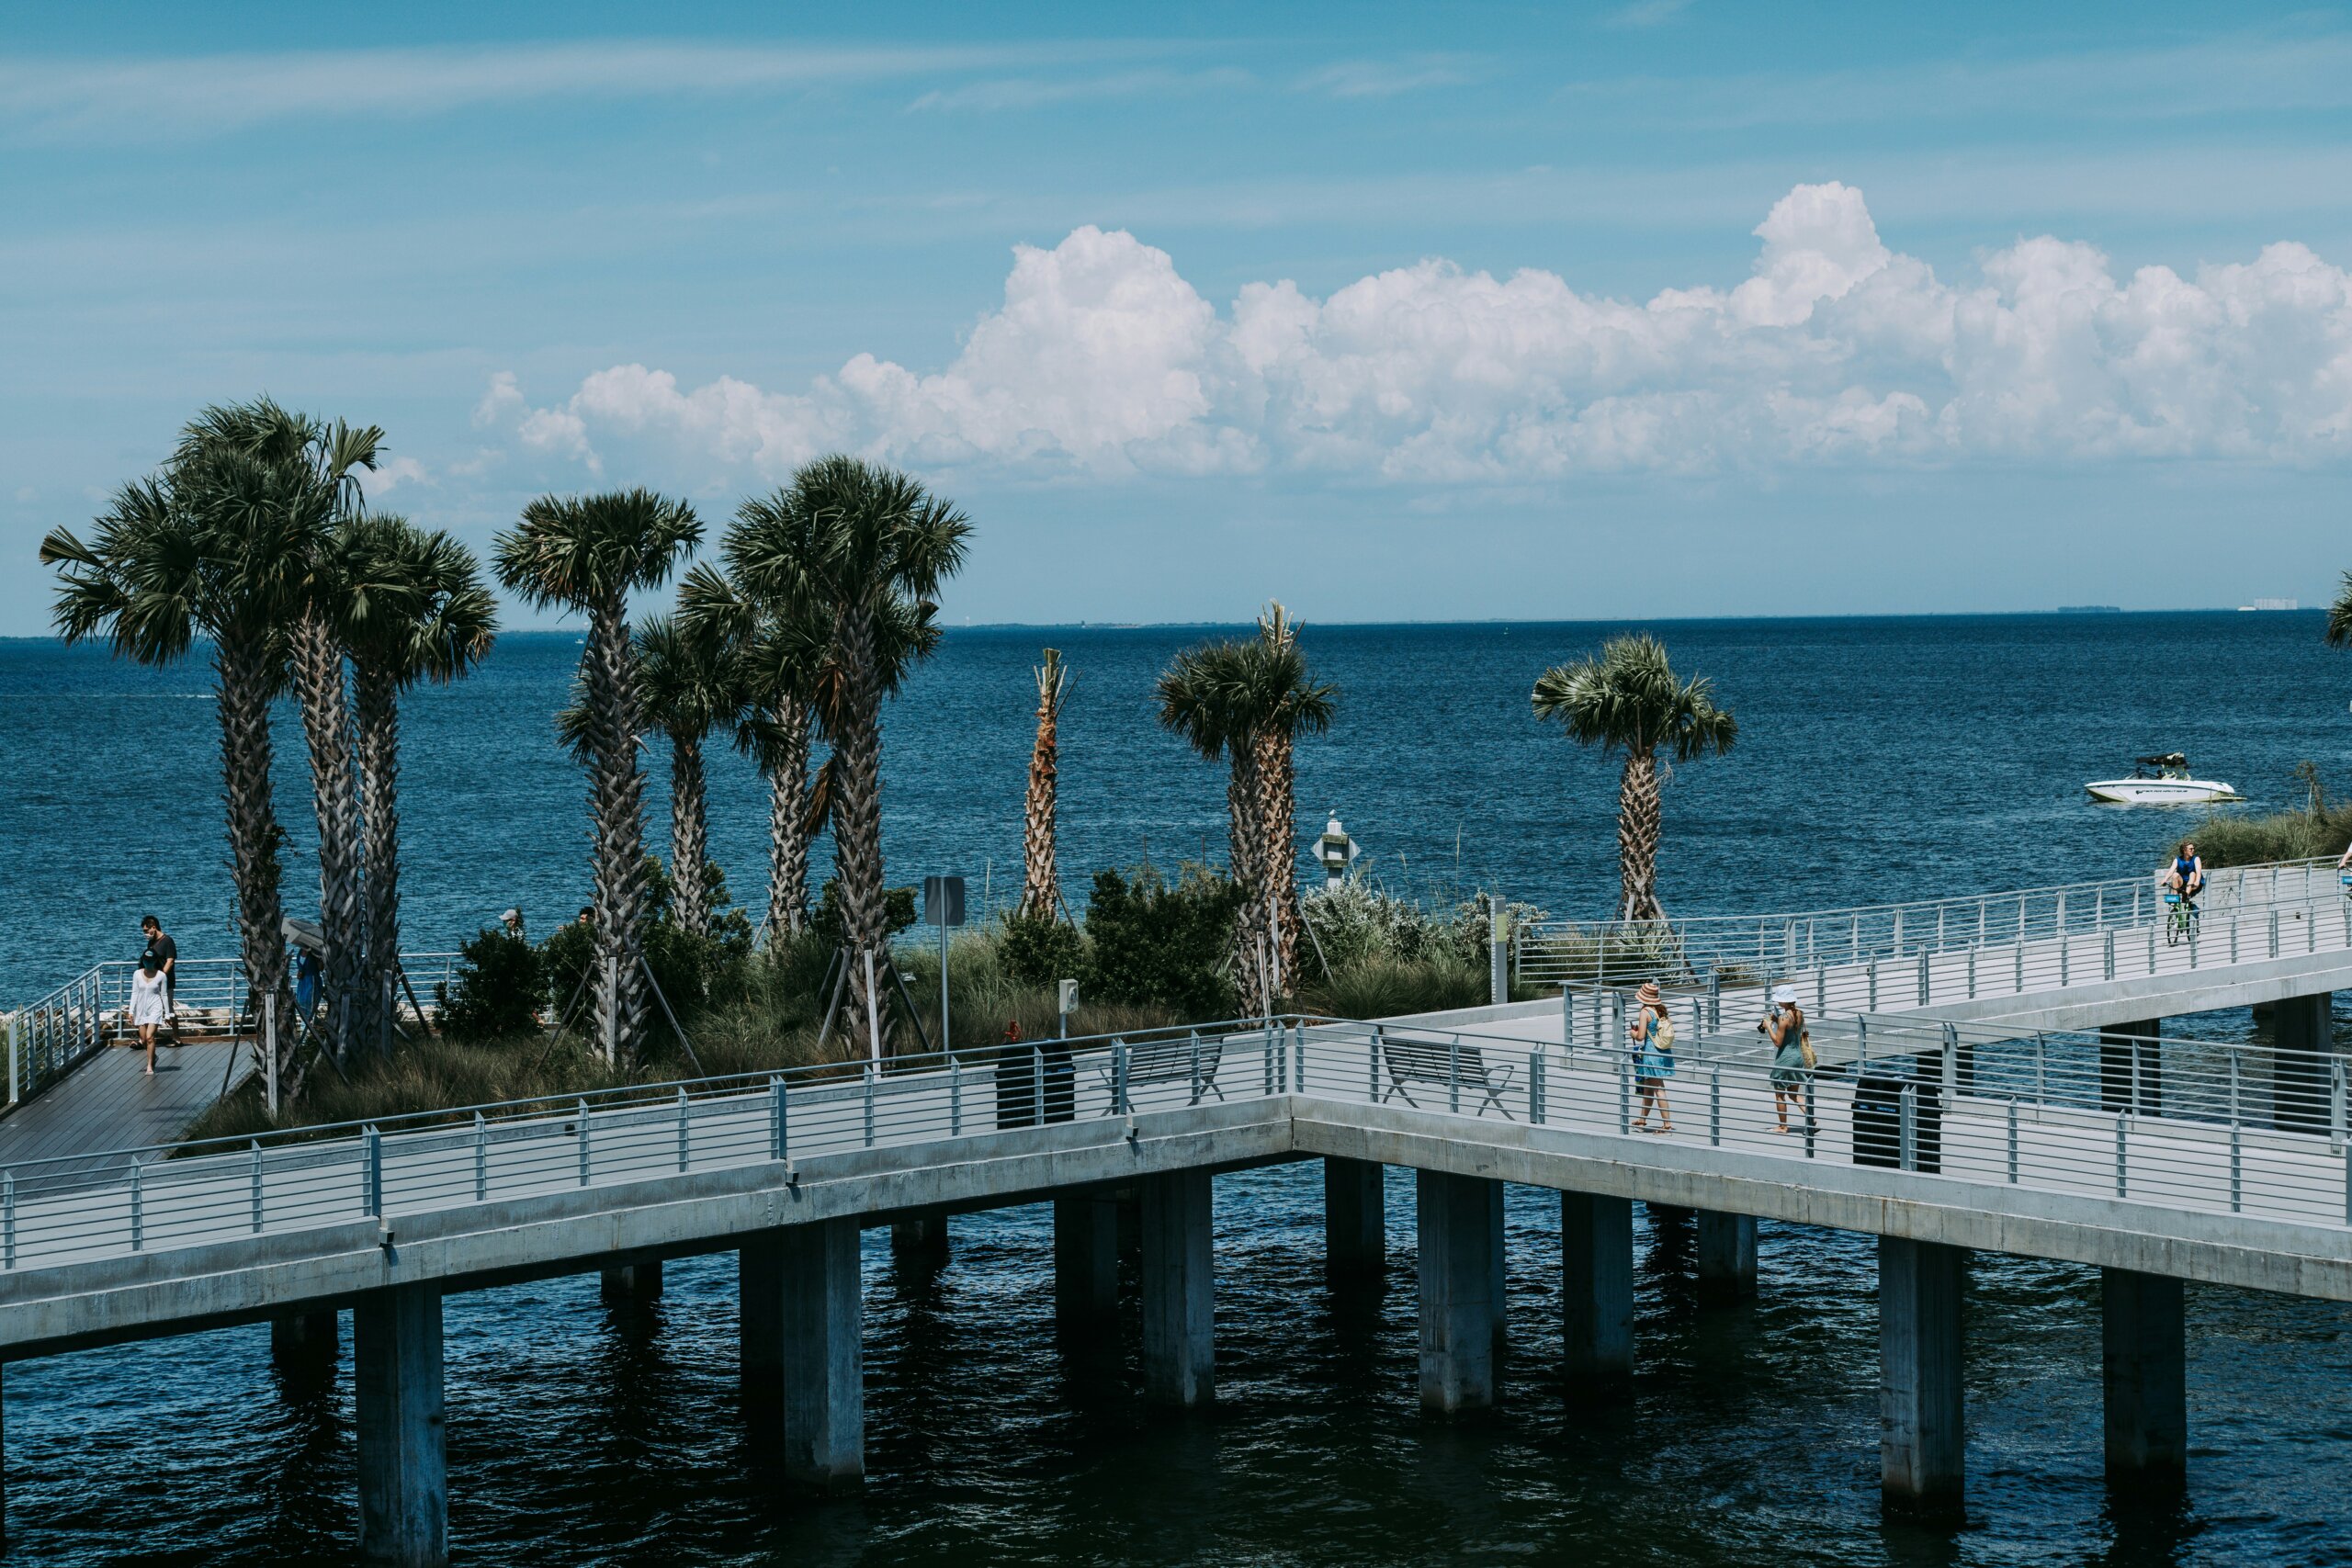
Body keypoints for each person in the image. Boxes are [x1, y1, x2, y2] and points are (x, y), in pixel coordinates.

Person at [1759, 983, 1810, 1134]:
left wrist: (1768, 1026)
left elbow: (1777, 1042)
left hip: (1785, 1059)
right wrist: (1776, 1020)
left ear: (1783, 1000)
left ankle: (1783, 1126)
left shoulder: (1784, 1018)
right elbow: (1792, 1029)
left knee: (1780, 1095)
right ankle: (1811, 1118)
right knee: (1794, 1095)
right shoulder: (1799, 1013)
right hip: (1797, 1057)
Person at [1629, 980, 1676, 1134]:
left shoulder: (1645, 1012)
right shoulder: (1660, 1010)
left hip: (1651, 1054)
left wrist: (1633, 1033)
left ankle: (1667, 1126)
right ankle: (1642, 1121)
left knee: (1658, 1089)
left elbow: (1641, 1036)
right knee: (1648, 1088)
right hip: (1662, 1052)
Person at [128, 953, 170, 1075]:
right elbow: (134, 993)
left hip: (155, 1008)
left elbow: (164, 995)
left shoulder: (161, 975)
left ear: (155, 961)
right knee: (144, 1039)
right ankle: (154, 1056)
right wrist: (131, 1011)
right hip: (140, 1009)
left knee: (150, 1037)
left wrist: (167, 1014)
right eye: (146, 961)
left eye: (150, 961)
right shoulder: (137, 973)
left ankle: (150, 1065)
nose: (148, 963)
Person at [139, 915, 177, 1033]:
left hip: (166, 982)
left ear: (154, 927)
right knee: (148, 1008)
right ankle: (145, 1038)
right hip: (152, 982)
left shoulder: (168, 941)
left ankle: (176, 1037)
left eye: (146, 930)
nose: (145, 933)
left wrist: (161, 978)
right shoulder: (151, 943)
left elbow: (170, 961)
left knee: (169, 1010)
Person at [2165, 840, 2204, 913]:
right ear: (2184, 850)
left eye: (2193, 849)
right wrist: (2165, 880)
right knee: (2175, 875)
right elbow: (2171, 870)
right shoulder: (2177, 859)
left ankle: (2185, 896)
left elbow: (2198, 872)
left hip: (2194, 884)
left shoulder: (2196, 859)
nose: (2193, 850)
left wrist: (2197, 882)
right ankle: (2175, 900)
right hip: (2182, 883)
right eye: (2191, 849)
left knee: (2192, 873)